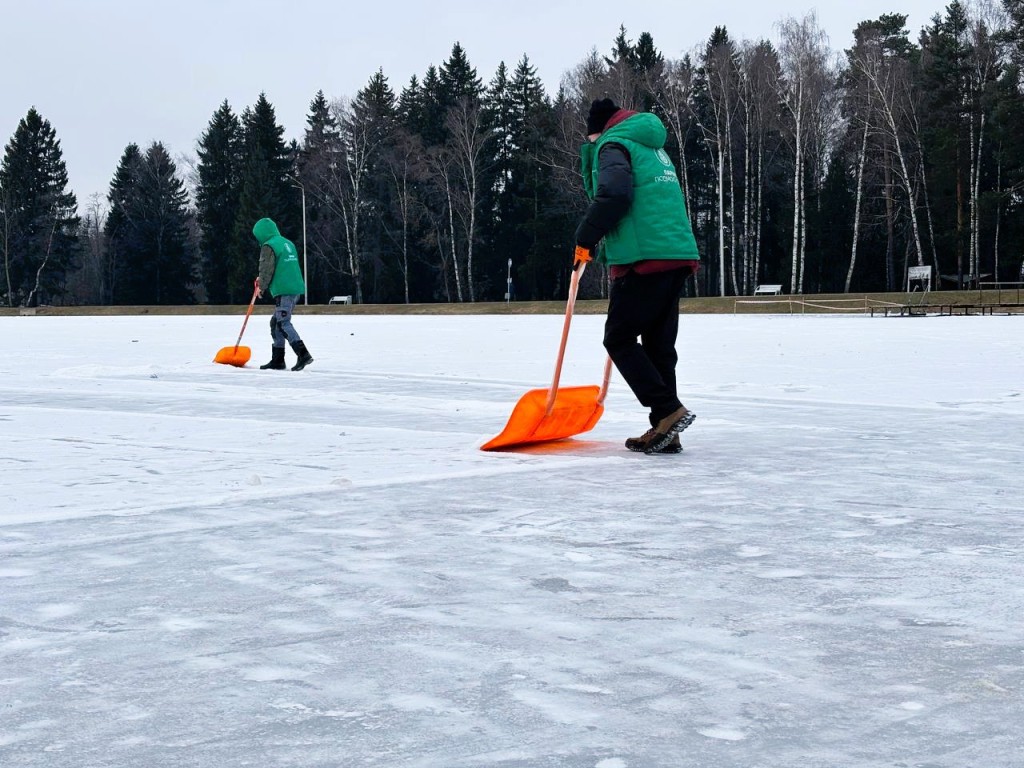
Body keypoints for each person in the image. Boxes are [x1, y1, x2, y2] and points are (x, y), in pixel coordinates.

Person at [574, 98, 701, 454]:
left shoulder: (613, 145)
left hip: (644, 257)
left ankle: (666, 410)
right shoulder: (652, 148)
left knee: (619, 338)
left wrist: (585, 237)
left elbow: (614, 194)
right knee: (659, 346)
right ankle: (667, 430)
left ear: (599, 130)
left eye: (590, 138)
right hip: (676, 254)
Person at [253, 217, 313, 371]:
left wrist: (262, 286)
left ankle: (303, 354)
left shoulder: (269, 246)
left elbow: (266, 268)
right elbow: (282, 267)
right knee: (276, 322)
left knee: (282, 322)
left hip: (284, 290)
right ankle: (278, 359)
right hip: (294, 289)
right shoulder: (287, 243)